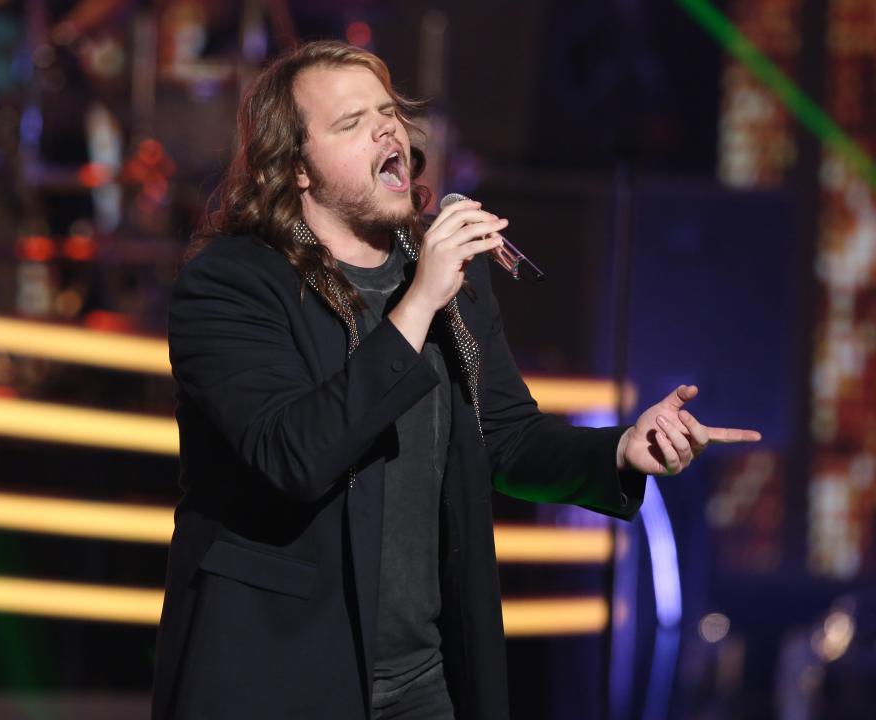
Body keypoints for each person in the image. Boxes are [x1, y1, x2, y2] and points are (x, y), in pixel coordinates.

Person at [151, 40, 761, 720]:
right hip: (279, 673)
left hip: (423, 680)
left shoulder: (450, 284)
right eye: (351, 122)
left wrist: (619, 450)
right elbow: (294, 455)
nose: (386, 129)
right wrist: (416, 306)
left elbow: (505, 437)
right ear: (297, 167)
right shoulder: (232, 283)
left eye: (387, 111)